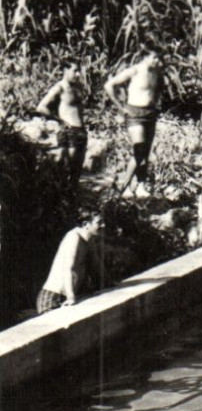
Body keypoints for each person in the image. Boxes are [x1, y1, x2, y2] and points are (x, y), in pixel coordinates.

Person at [105, 47, 164, 198]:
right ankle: (122, 188)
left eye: (158, 59)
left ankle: (140, 185)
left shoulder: (157, 72)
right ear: (145, 57)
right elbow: (109, 85)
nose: (157, 61)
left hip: (150, 114)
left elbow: (157, 91)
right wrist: (121, 107)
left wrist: (156, 104)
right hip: (134, 113)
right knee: (139, 150)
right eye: (154, 58)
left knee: (146, 152)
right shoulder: (135, 70)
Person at [36, 214, 104, 314]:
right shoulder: (73, 237)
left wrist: (110, 283)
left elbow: (96, 265)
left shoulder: (89, 240)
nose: (103, 225)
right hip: (53, 297)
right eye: (99, 222)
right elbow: (67, 268)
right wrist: (70, 296)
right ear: (86, 224)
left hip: (67, 296)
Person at [35, 64, 89, 188]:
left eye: (78, 71)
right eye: (75, 71)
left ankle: (72, 201)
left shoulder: (77, 87)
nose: (78, 74)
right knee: (65, 170)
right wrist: (59, 120)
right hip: (69, 131)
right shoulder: (59, 87)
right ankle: (61, 201)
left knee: (77, 171)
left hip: (81, 131)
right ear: (65, 70)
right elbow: (41, 107)